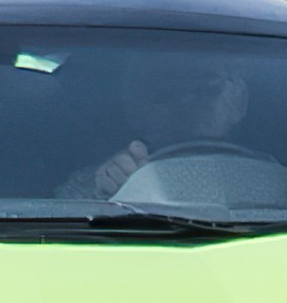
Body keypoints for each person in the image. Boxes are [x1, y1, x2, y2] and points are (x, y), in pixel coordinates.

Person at [61, 57, 256, 199]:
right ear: (133, 109)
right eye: (165, 91)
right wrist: (110, 195)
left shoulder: (283, 180)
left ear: (240, 101)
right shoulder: (94, 185)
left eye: (207, 86)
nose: (186, 100)